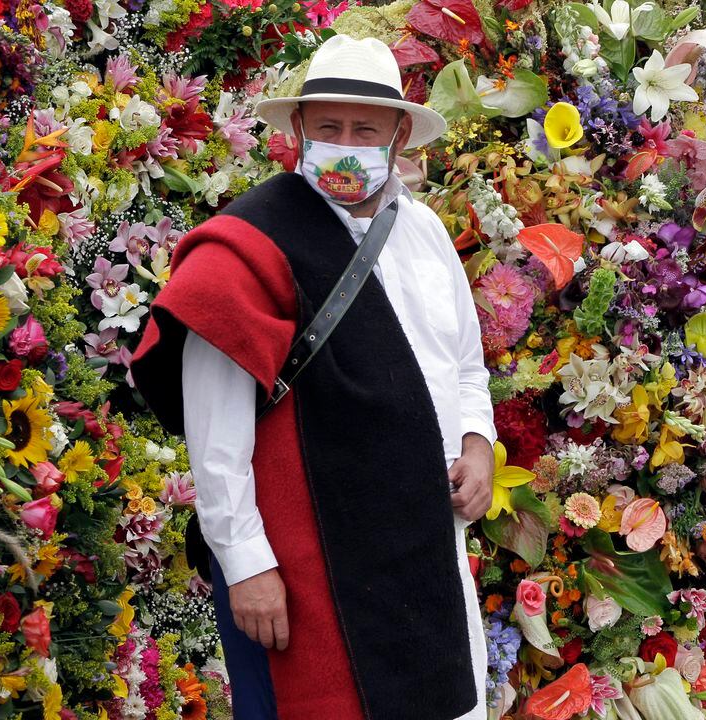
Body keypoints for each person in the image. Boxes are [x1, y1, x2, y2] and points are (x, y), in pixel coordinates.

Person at [131, 35, 496, 720]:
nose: (347, 142)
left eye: (365, 128)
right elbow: (217, 441)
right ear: (298, 131)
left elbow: (467, 368)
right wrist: (246, 566)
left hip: (423, 555)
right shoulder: (244, 249)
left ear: (398, 136)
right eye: (329, 127)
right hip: (310, 568)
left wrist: (477, 443)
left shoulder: (424, 234)